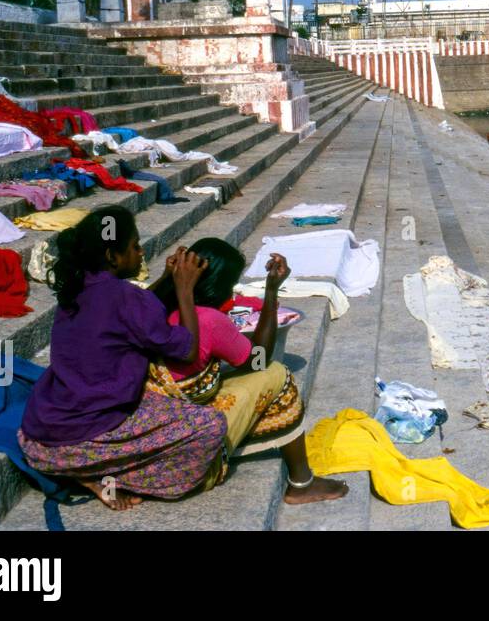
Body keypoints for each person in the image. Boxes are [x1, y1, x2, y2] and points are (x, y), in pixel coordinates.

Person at [18, 206, 227, 511]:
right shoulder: (126, 297)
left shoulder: (81, 284)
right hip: (83, 435)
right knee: (211, 425)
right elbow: (187, 349)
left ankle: (80, 469)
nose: (141, 252)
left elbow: (136, 314)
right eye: (134, 246)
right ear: (112, 256)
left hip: (38, 437)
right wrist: (185, 290)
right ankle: (103, 474)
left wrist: (168, 278)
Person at [151, 237, 347, 506]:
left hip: (157, 430)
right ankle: (302, 483)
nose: (231, 294)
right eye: (230, 286)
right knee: (277, 374)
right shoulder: (209, 320)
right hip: (187, 448)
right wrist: (271, 291)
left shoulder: (158, 304)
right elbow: (259, 359)